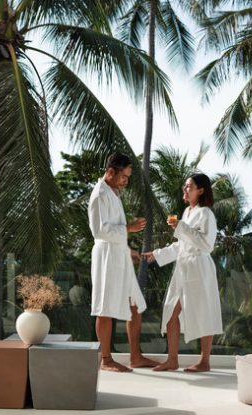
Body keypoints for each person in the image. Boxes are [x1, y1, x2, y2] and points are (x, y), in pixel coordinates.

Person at [143, 173, 222, 372]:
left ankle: (204, 361)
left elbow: (206, 244)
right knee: (170, 311)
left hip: (199, 267)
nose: (184, 190)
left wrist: (182, 227)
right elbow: (181, 245)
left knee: (205, 312)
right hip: (183, 267)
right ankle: (172, 360)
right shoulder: (187, 212)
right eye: (185, 186)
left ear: (201, 190)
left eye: (189, 186)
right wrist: (157, 254)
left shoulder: (206, 214)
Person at [88, 153, 158, 372]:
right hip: (106, 257)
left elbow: (113, 230)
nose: (125, 180)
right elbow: (99, 231)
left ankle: (135, 356)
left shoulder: (113, 193)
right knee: (105, 306)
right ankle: (106, 359)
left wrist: (129, 251)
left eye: (128, 176)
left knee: (134, 304)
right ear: (110, 172)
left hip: (118, 255)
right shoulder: (100, 194)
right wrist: (129, 228)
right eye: (123, 176)